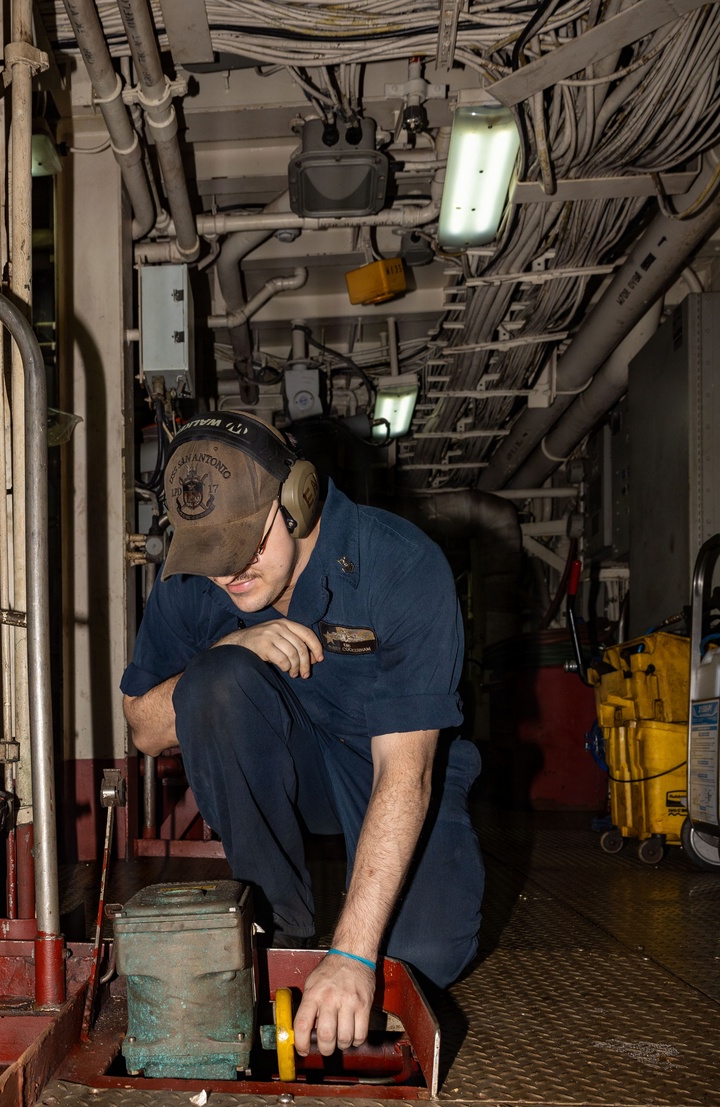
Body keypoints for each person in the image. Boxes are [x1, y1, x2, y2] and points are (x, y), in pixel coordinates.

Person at [120, 411, 484, 1060]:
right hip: (292, 761)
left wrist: (351, 953)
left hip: (389, 766)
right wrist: (234, 645)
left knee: (421, 959)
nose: (229, 574)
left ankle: (347, 939)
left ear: (298, 501)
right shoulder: (199, 580)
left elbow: (408, 771)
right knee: (215, 679)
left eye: (245, 546)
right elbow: (145, 729)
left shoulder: (399, 566)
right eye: (211, 553)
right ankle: (275, 931)